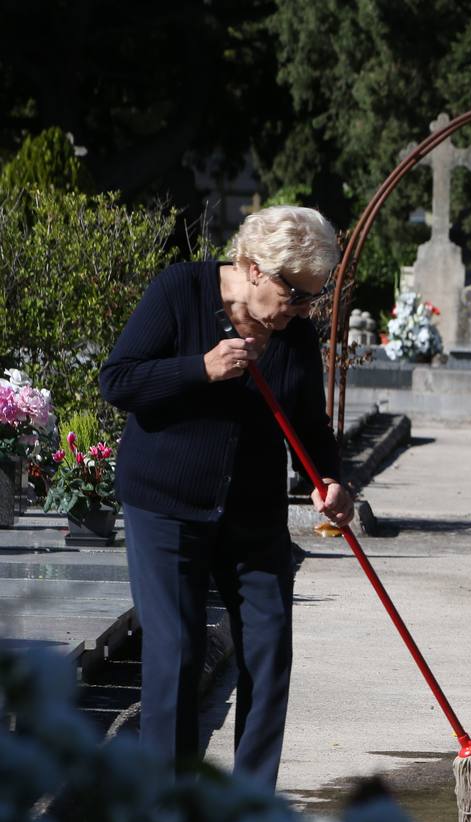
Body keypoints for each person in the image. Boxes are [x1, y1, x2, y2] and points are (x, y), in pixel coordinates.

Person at [99, 206, 354, 788]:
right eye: (295, 295)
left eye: (312, 300)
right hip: (165, 500)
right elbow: (118, 380)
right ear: (253, 267)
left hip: (252, 513)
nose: (301, 311)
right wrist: (199, 368)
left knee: (268, 653)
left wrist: (330, 480)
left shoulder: (295, 336)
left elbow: (311, 427)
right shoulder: (180, 290)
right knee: (177, 653)